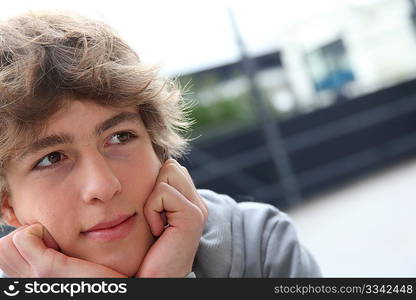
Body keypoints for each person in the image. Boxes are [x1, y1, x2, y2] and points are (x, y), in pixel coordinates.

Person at [0, 11, 321, 278]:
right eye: (52, 158)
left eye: (119, 136)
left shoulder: (260, 244)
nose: (104, 184)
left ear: (155, 145)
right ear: (7, 204)